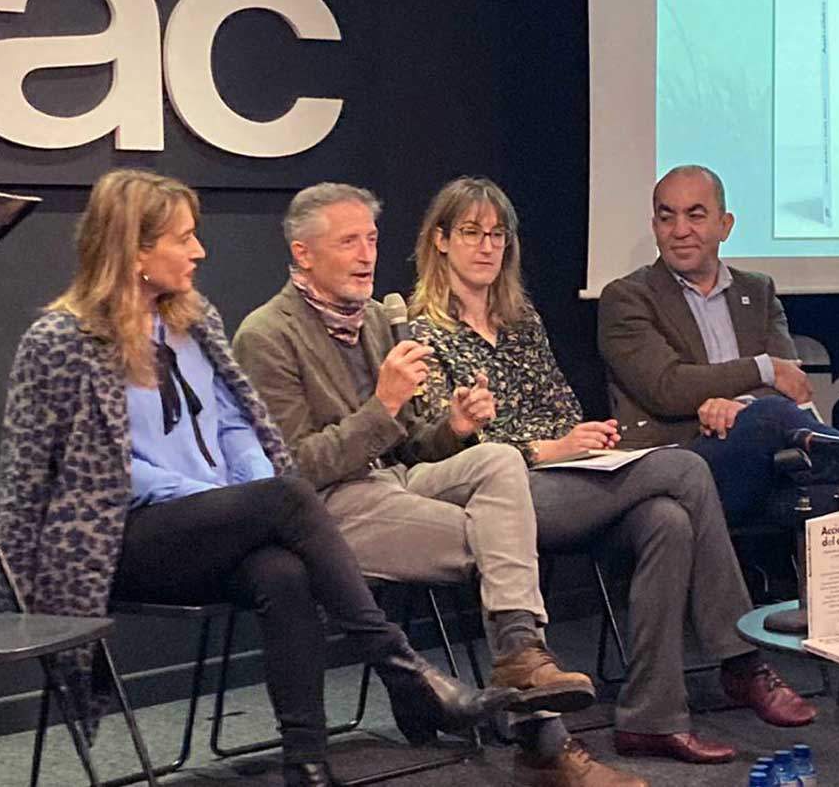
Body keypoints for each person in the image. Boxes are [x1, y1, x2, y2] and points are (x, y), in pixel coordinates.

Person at [0, 169, 516, 787]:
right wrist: (231, 498)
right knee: (287, 496)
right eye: (184, 239)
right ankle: (404, 672)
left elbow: (239, 429)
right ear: (135, 250)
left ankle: (308, 761)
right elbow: (59, 474)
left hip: (214, 522)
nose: (199, 251)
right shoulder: (59, 340)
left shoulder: (194, 322)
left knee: (283, 572)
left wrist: (247, 489)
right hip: (118, 540)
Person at [407, 176, 820, 769]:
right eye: (471, 232)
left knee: (667, 519)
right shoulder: (422, 333)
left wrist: (581, 440)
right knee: (681, 469)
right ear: (440, 241)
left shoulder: (522, 324)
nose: (486, 246)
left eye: (497, 234)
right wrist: (545, 449)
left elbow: (563, 413)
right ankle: (741, 659)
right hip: (500, 499)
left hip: (568, 483)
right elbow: (436, 451)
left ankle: (652, 719)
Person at [233, 183, 620, 787]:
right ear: (303, 254)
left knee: (495, 460)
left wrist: (455, 425)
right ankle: (546, 742)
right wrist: (382, 405)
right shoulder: (266, 336)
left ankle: (520, 654)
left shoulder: (375, 323)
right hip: (329, 511)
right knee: (504, 543)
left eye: (371, 239)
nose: (366, 255)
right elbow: (293, 473)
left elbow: (412, 444)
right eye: (348, 242)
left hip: (395, 482)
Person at [597, 164, 839, 737]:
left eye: (696, 215)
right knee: (783, 422)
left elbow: (794, 386)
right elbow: (665, 387)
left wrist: (734, 403)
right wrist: (759, 377)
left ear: (725, 224)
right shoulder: (627, 298)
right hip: (682, 474)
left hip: (765, 469)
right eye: (667, 215)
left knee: (836, 496)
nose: (681, 229)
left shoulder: (757, 291)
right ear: (653, 225)